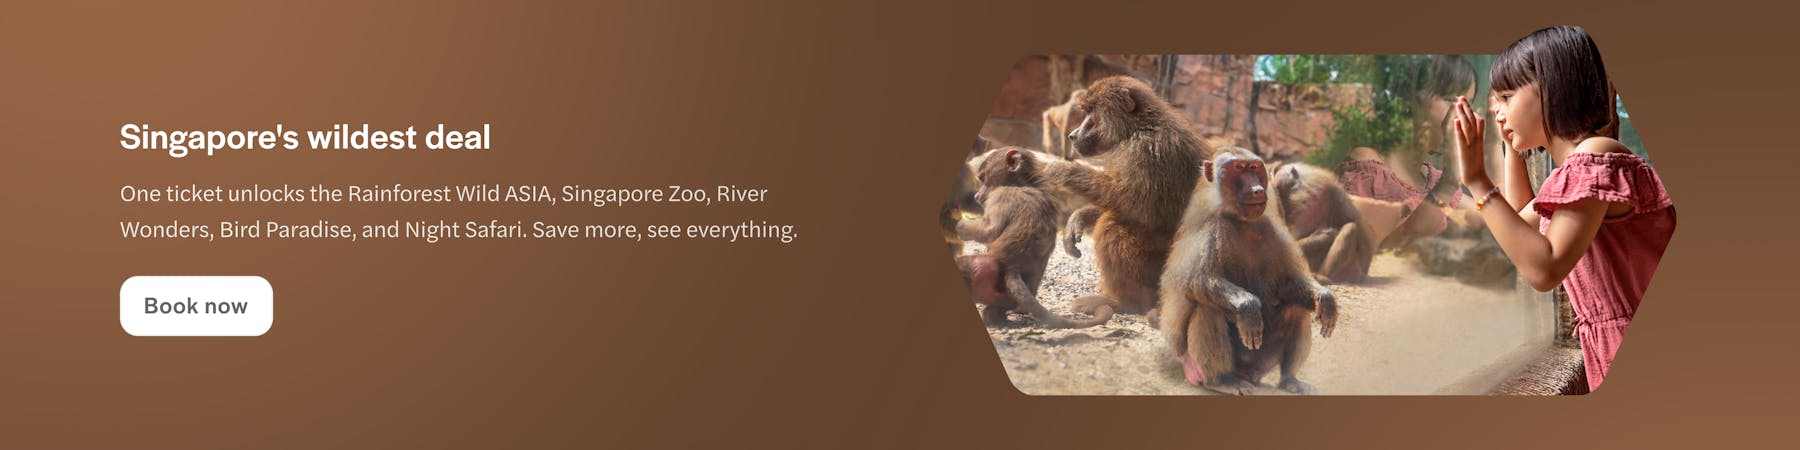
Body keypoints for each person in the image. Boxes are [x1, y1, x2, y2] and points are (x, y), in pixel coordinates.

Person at [1450, 26, 1676, 391]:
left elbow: (1544, 269)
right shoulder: (1579, 169)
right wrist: (1512, 149)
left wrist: (1477, 180)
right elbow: (1522, 224)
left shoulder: (1594, 158)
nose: (1497, 112)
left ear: (1552, 89)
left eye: (1506, 97)